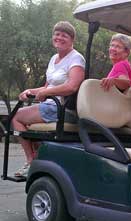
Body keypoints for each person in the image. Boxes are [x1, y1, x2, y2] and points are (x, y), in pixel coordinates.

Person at [12, 21, 85, 177]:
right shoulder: (53, 59)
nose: (59, 37)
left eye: (64, 35)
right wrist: (30, 90)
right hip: (51, 105)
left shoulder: (76, 59)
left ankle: (31, 161)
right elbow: (47, 86)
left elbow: (72, 86)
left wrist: (48, 92)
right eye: (57, 34)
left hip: (63, 108)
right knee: (26, 121)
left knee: (16, 117)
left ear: (72, 39)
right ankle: (38, 160)